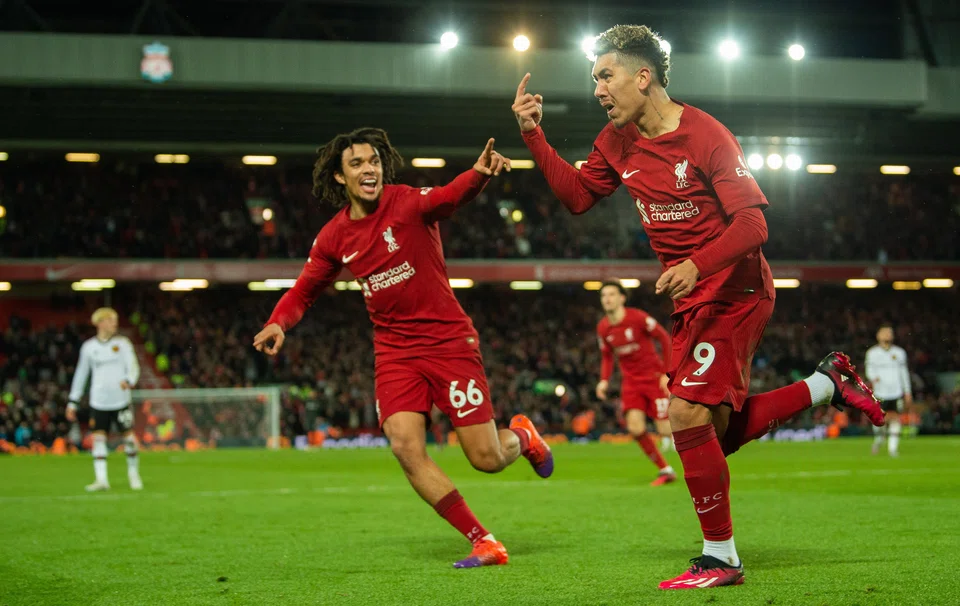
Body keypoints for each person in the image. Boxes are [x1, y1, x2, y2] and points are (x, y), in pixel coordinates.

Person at [512, 24, 885, 589]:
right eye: (595, 80)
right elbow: (578, 196)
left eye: (605, 76)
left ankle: (721, 558)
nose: (598, 90)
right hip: (693, 301)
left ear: (643, 76)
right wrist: (533, 135)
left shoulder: (707, 135)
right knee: (711, 437)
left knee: (684, 415)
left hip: (736, 291)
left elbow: (753, 225)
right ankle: (824, 384)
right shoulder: (616, 140)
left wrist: (695, 264)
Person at [253, 127, 554, 569]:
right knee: (404, 446)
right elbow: (304, 290)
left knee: (487, 459)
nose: (368, 169)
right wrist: (277, 322)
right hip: (395, 353)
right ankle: (484, 541)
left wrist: (478, 174)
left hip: (448, 343)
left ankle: (524, 436)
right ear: (339, 176)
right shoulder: (334, 236)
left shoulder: (407, 202)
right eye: (357, 163)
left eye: (374, 161)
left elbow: (449, 197)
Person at [595, 281, 676, 484]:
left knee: (665, 430)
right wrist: (604, 380)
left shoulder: (637, 318)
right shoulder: (603, 327)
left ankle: (707, 436)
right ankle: (665, 469)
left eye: (611, 294)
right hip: (631, 383)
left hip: (653, 378)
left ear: (622, 298)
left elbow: (664, 338)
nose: (607, 299)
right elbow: (607, 356)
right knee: (635, 428)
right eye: (604, 295)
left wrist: (667, 373)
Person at [67, 307, 143, 491]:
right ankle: (101, 480)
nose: (114, 324)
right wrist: (73, 401)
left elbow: (133, 366)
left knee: (129, 438)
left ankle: (133, 474)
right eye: (111, 320)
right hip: (99, 401)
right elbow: (81, 374)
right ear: (100, 323)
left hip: (121, 400)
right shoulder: (89, 347)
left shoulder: (123, 344)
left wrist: (129, 380)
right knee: (99, 439)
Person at [865, 324, 912, 457]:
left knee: (896, 419)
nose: (887, 335)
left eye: (890, 332)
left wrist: (907, 391)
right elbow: (869, 370)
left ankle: (893, 449)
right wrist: (873, 378)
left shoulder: (900, 353)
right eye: (884, 332)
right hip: (880, 392)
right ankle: (879, 439)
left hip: (896, 392)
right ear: (878, 336)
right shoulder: (872, 353)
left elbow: (904, 373)